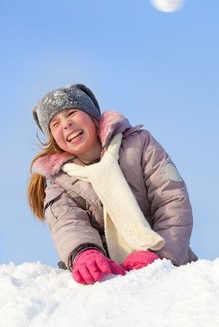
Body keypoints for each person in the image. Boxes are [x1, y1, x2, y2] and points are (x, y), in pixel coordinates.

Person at [27, 83, 197, 284]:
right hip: (110, 279)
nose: (66, 124)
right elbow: (69, 225)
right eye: (55, 124)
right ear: (54, 138)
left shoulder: (139, 146)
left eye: (72, 112)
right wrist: (86, 254)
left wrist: (160, 253)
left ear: (93, 117)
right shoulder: (60, 183)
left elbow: (171, 200)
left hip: (168, 267)